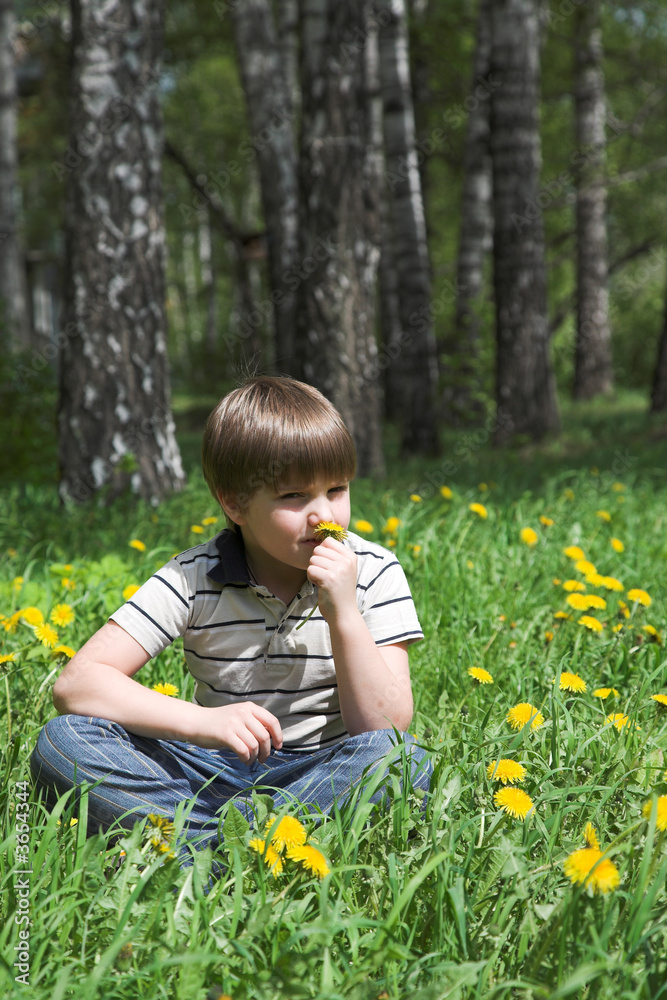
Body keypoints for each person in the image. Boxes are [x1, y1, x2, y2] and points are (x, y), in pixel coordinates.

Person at [30, 376, 431, 859]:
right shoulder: (194, 575)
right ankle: (244, 847)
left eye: (337, 489)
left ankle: (197, 846)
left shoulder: (374, 571)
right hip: (208, 770)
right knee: (63, 740)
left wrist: (344, 613)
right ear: (235, 503)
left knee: (399, 760)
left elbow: (383, 727)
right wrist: (205, 724)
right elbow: (76, 685)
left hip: (321, 769)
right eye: (293, 497)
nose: (324, 515)